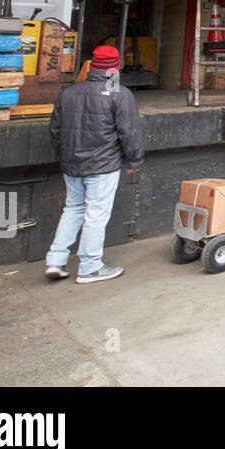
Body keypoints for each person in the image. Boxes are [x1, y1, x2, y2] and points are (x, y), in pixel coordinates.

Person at [45, 45, 145, 284]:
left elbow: (55, 130)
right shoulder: (119, 94)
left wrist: (64, 155)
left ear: (92, 65)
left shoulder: (68, 93)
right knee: (95, 215)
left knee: (73, 209)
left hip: (71, 164)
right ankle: (89, 267)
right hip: (103, 165)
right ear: (116, 66)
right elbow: (129, 132)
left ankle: (55, 260)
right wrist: (135, 159)